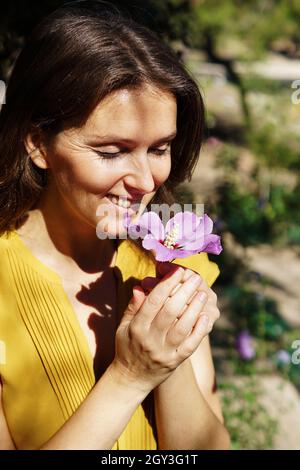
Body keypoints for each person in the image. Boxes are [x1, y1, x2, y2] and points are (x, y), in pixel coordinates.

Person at [0, 1, 230, 450]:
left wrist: (167, 355)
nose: (146, 182)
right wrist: (129, 378)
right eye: (111, 152)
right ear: (37, 145)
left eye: (160, 148)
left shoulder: (173, 257)